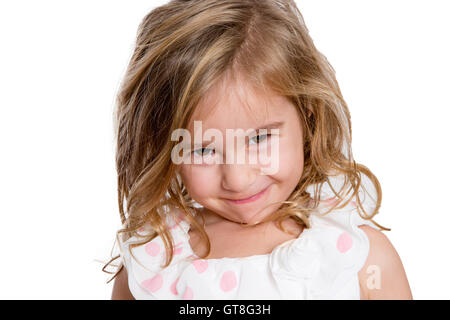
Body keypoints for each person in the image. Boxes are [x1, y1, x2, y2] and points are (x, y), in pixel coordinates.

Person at [105, 0, 412, 300]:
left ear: (308, 116)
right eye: (201, 150)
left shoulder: (358, 257)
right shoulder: (152, 269)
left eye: (259, 138)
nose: (237, 179)